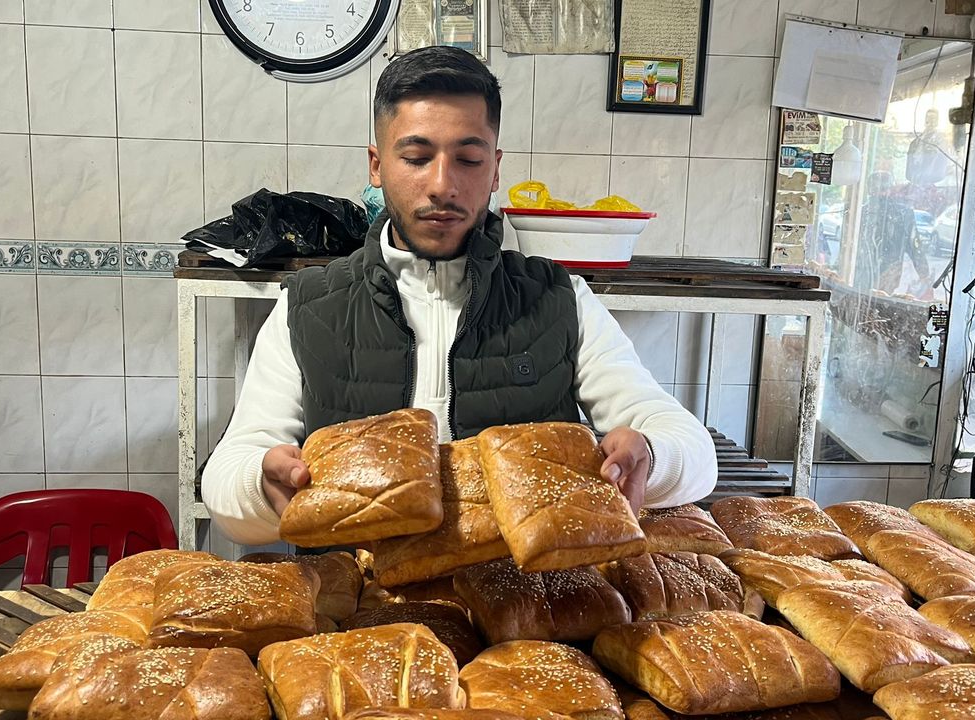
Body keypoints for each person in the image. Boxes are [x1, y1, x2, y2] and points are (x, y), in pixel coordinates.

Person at [202, 46, 716, 547]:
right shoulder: (309, 307)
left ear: (495, 169)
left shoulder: (560, 300)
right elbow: (229, 473)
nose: (442, 185)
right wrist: (261, 485)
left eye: (468, 159)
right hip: (359, 595)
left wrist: (652, 455)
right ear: (377, 166)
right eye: (416, 157)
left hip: (524, 591)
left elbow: (690, 447)